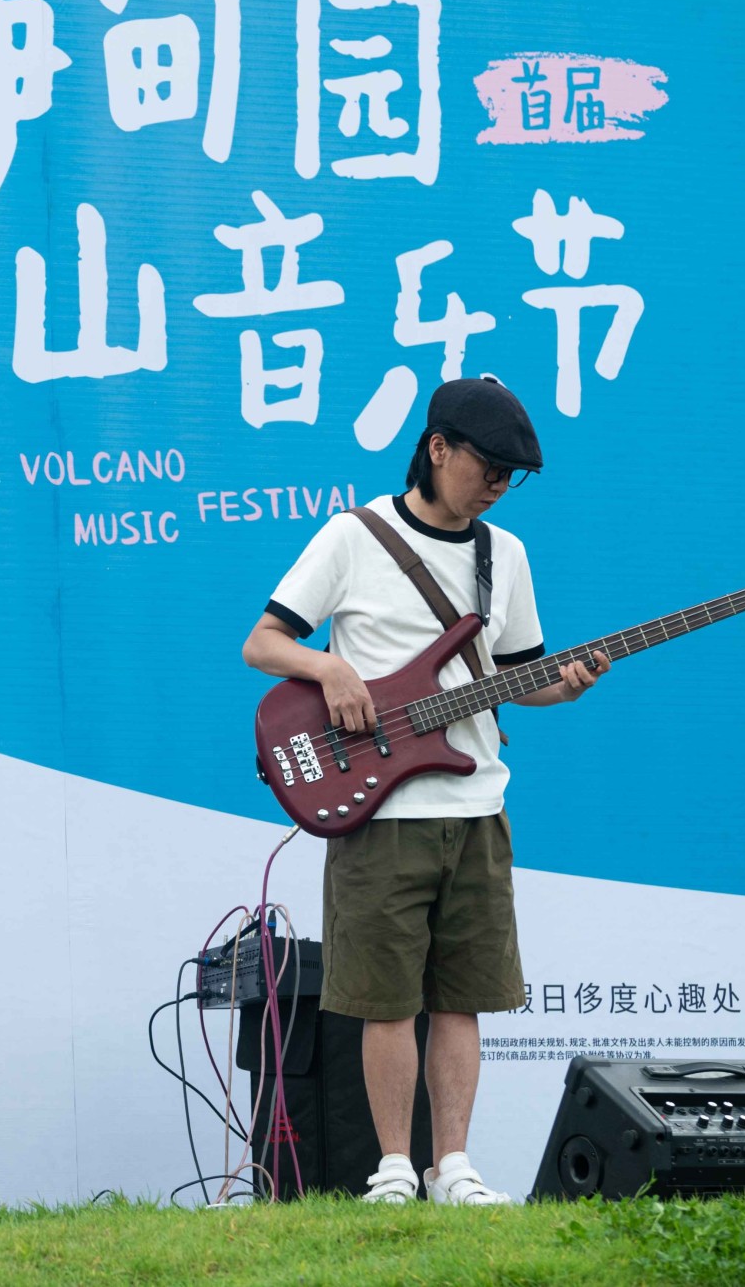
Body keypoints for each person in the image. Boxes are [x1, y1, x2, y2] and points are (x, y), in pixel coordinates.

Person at [242, 376, 607, 1205]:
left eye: (512, 477)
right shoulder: (353, 535)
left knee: (462, 999)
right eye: (489, 466)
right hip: (382, 812)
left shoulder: (503, 555)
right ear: (437, 449)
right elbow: (263, 645)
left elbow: (516, 677)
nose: (498, 486)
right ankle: (394, 1169)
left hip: (477, 807)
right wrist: (330, 665)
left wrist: (567, 685)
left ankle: (454, 1168)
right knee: (384, 1001)